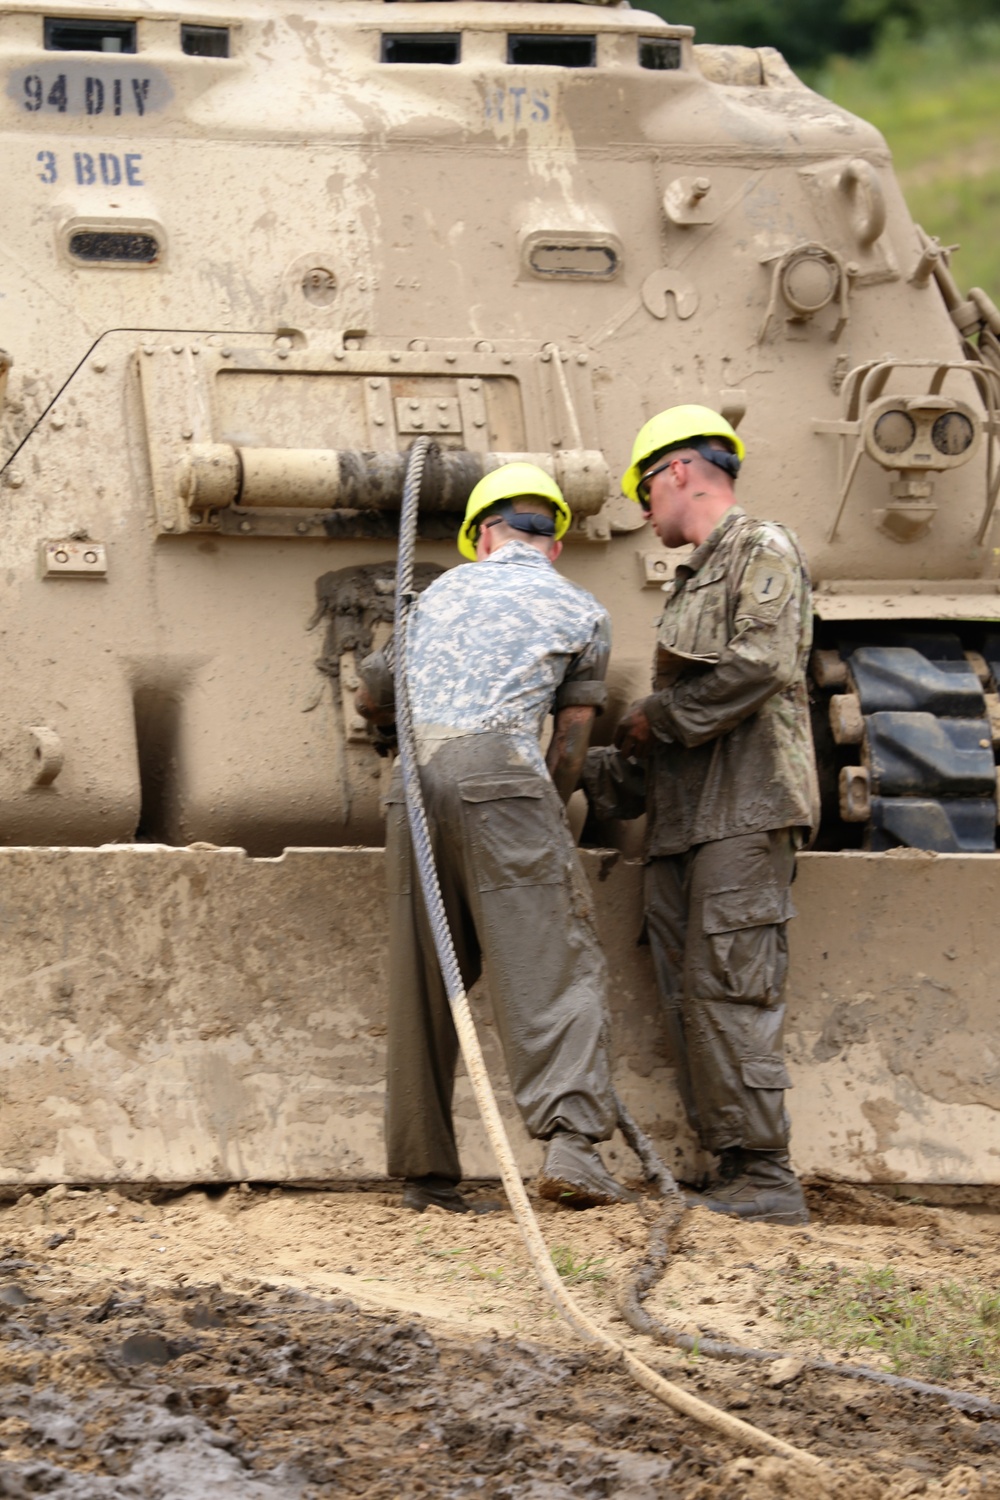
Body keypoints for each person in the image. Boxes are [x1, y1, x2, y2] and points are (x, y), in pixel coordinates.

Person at [355, 462, 636, 1215]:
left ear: (483, 535)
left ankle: (426, 1177)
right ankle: (573, 1146)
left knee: (424, 981)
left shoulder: (436, 594)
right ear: (556, 543)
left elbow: (372, 697)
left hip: (410, 789)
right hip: (504, 777)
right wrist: (538, 818)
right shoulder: (580, 608)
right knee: (552, 965)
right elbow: (570, 750)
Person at [588, 405, 818, 1226]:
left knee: (732, 983)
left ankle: (765, 1170)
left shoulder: (762, 548)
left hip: (746, 809)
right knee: (692, 993)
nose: (644, 510)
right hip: (688, 819)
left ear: (680, 470)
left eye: (645, 488)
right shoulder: (695, 577)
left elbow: (762, 663)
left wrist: (663, 717)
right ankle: (731, 1163)